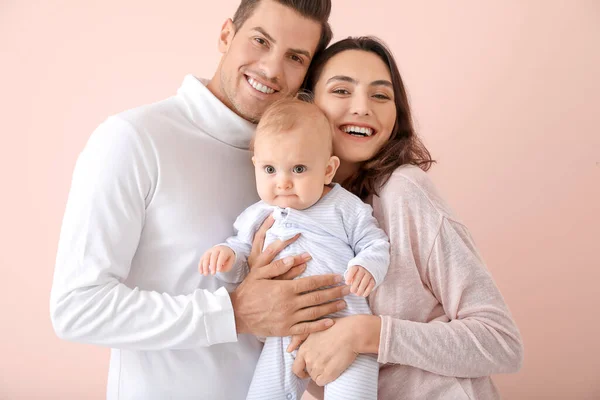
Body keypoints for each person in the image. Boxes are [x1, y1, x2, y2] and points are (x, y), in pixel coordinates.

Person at [48, 1, 351, 399]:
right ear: (227, 34)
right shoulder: (133, 139)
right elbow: (77, 308)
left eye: (294, 57)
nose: (272, 69)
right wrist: (233, 312)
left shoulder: (299, 173)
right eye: (260, 40)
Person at [283, 36, 524, 399]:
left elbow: (501, 341)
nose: (363, 108)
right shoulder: (300, 211)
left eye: (380, 95)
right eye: (342, 90)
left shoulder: (403, 191)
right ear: (308, 102)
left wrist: (368, 333)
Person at [200, 97, 389, 400]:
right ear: (256, 167)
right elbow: (243, 260)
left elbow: (375, 243)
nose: (283, 182)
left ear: (328, 170)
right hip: (285, 327)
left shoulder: (343, 207)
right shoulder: (258, 214)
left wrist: (368, 265)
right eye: (270, 169)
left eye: (298, 168)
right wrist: (228, 258)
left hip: (345, 324)